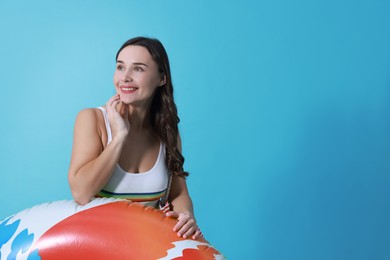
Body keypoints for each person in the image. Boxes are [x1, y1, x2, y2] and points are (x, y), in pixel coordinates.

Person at [68, 37, 201, 240]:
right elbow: (81, 193)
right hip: (93, 246)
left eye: (138, 69)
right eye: (120, 67)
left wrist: (186, 214)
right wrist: (119, 136)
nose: (125, 77)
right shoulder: (92, 119)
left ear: (161, 78)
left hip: (145, 246)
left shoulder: (167, 131)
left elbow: (178, 193)